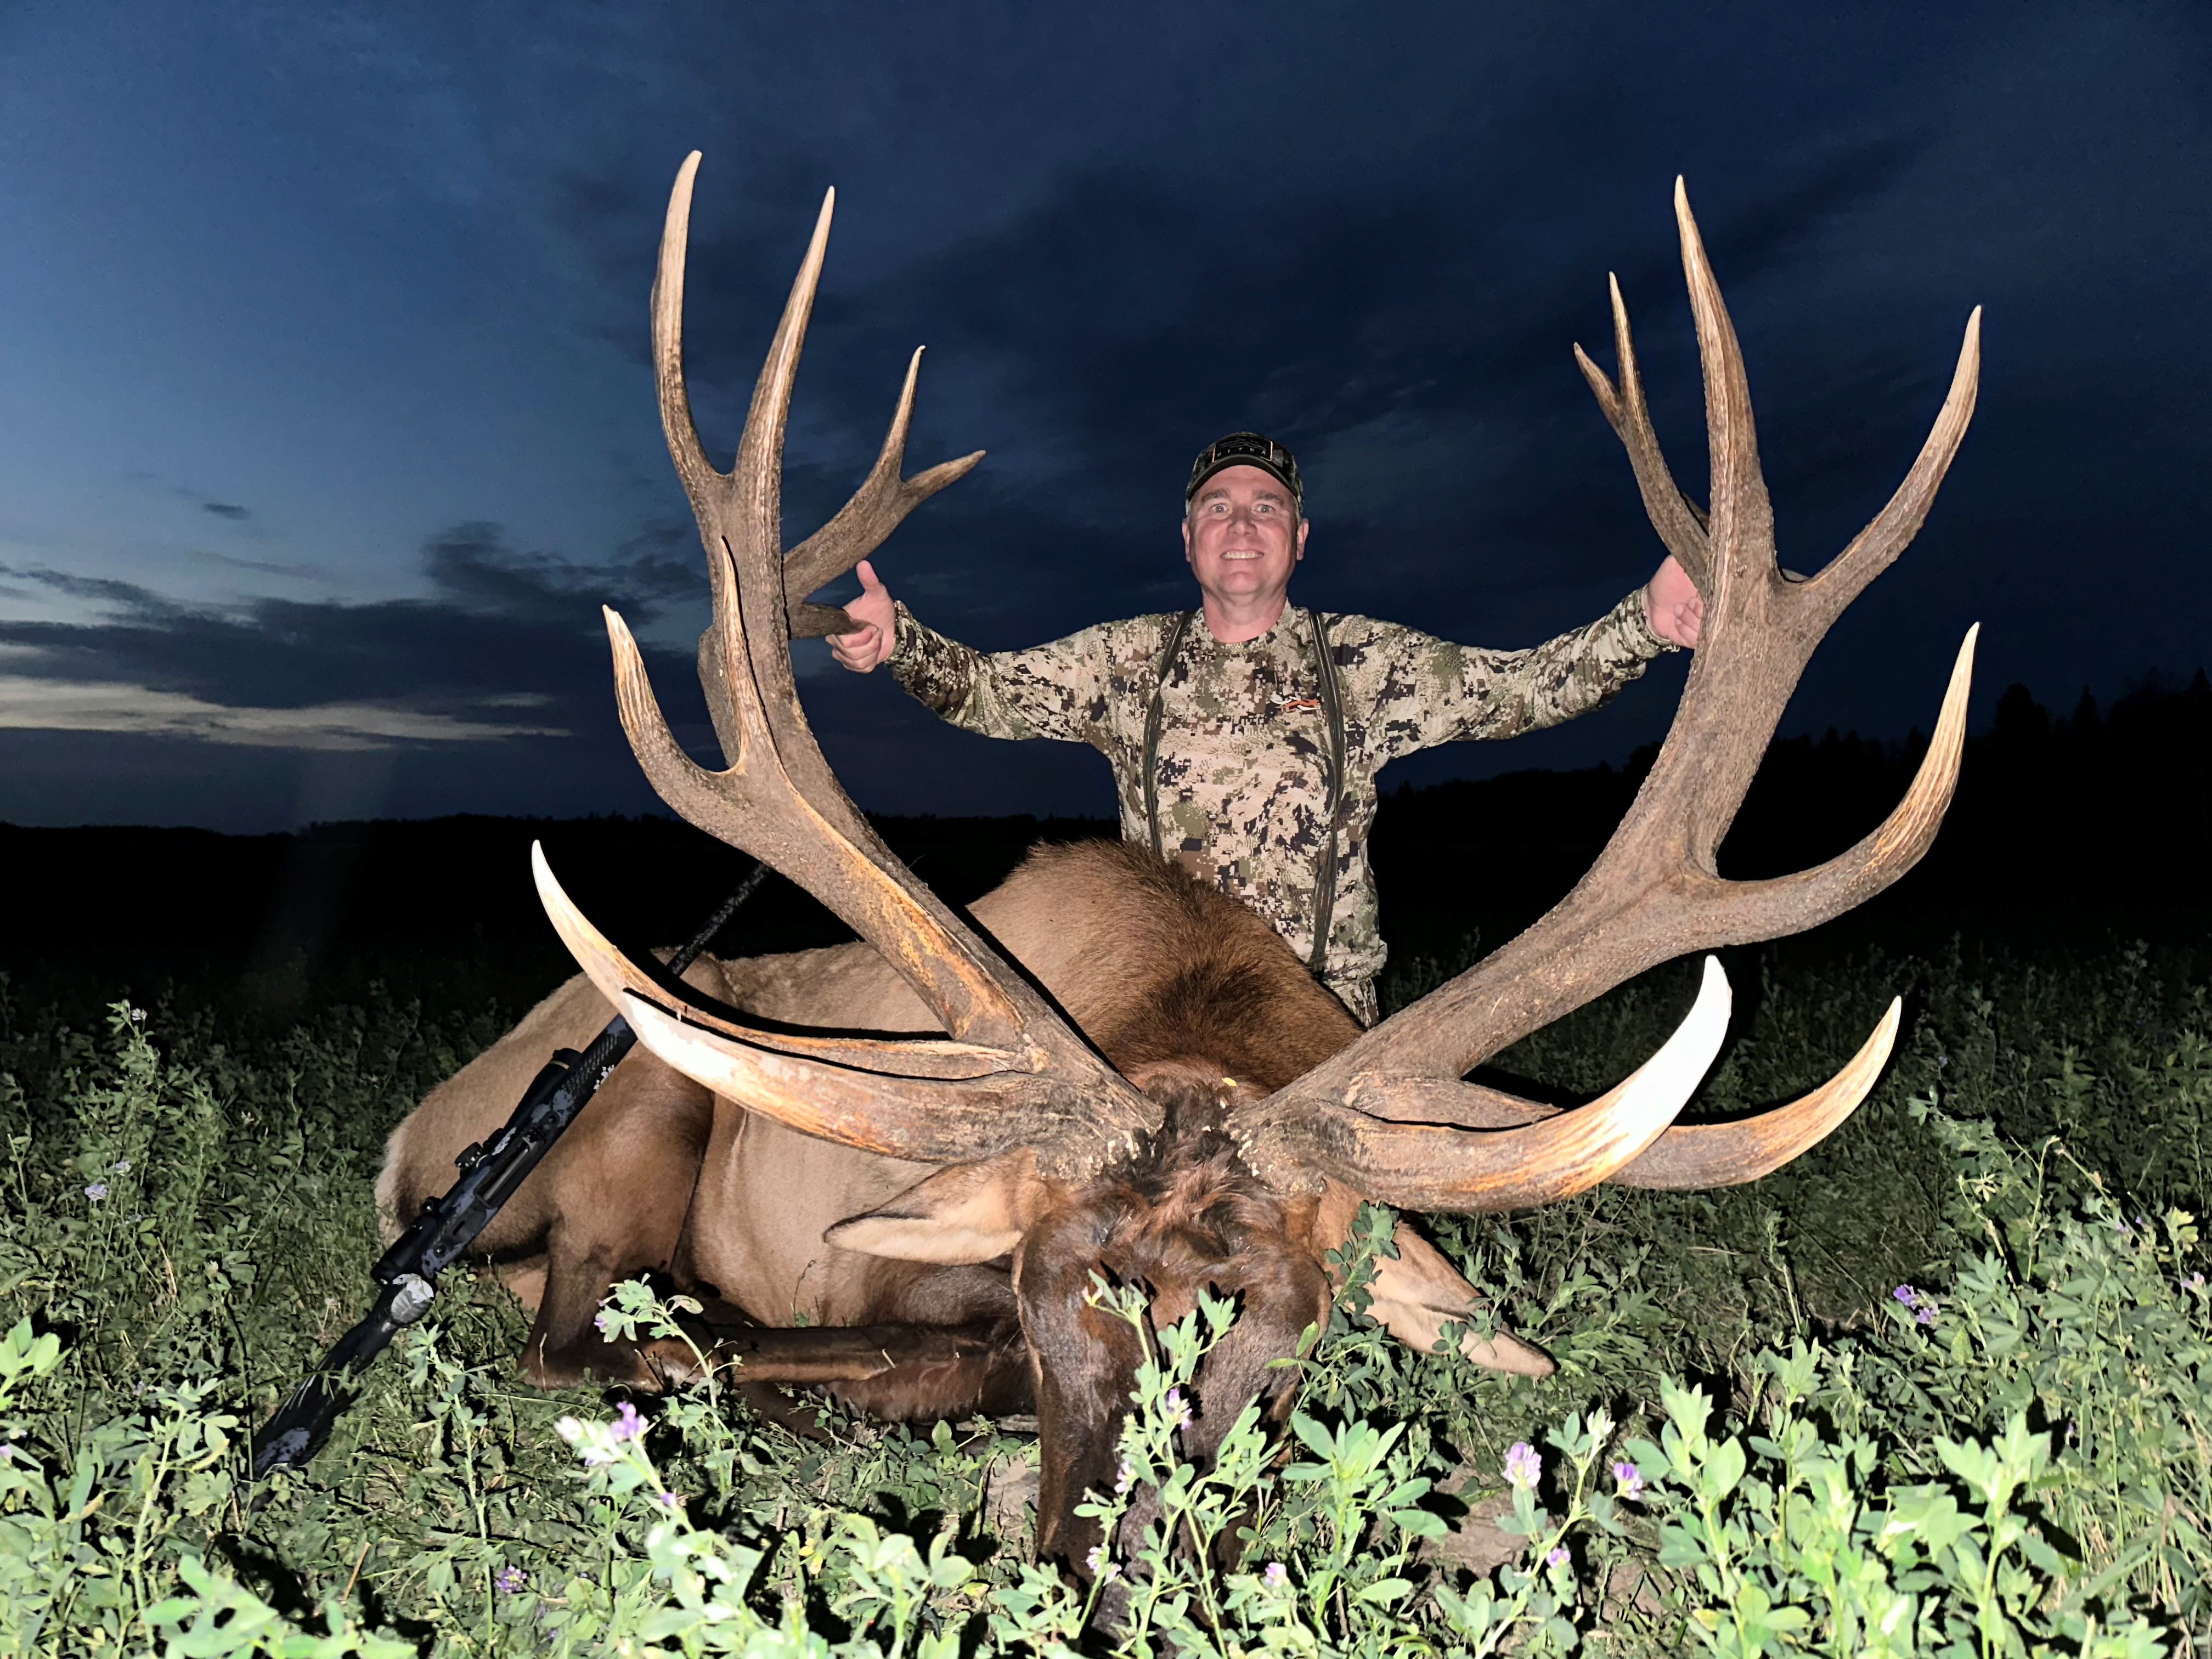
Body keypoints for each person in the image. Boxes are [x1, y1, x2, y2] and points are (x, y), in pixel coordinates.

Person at [830, 432, 1702, 1026]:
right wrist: (901, 642)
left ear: (1299, 537)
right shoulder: (1127, 661)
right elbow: (991, 693)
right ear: (1187, 540)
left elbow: (1525, 690)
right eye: (1218, 506)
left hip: (1320, 1015)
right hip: (1168, 1010)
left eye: (1266, 506)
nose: (1241, 522)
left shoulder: (1361, 661)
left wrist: (1645, 623)